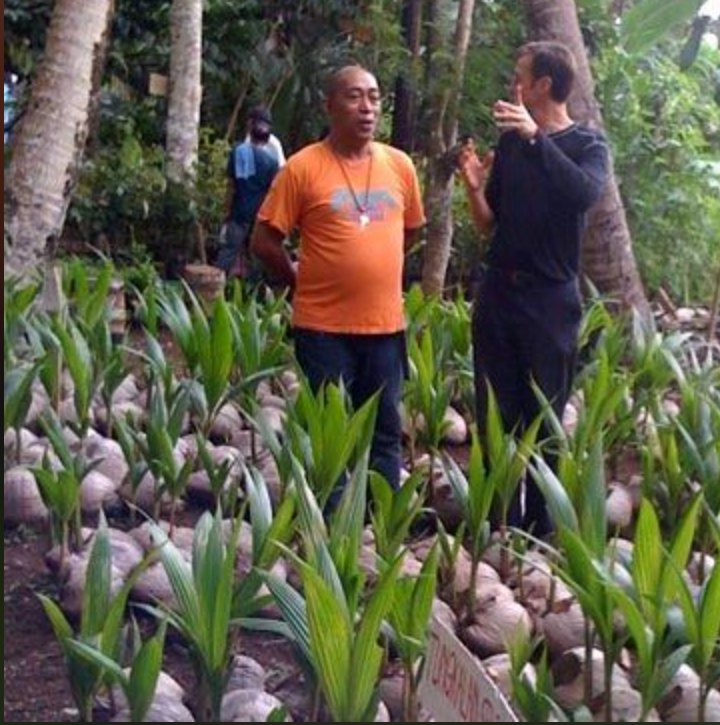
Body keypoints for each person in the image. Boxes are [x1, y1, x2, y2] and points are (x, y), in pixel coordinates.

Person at [459, 41, 611, 535]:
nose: (512, 84)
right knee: (493, 417)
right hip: (500, 296)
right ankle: (497, 526)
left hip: (551, 302)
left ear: (542, 85)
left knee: (543, 418)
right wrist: (475, 187)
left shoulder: (588, 146)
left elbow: (584, 194)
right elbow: (490, 224)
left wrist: (536, 136)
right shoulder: (509, 143)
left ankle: (540, 531)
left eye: (519, 75)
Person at [251, 66, 425, 490]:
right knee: (328, 433)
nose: (367, 108)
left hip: (384, 327)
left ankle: (378, 529)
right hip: (323, 328)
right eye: (354, 97)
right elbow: (264, 240)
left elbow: (412, 229)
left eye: (374, 97)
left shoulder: (400, 165)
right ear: (329, 106)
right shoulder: (302, 168)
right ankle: (329, 527)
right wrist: (298, 280)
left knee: (385, 431)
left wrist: (372, 269)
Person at [218, 106, 281, 278]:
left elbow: (231, 186)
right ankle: (254, 298)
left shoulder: (238, 151)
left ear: (250, 125)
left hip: (238, 214)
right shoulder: (272, 162)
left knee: (226, 257)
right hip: (258, 218)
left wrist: (225, 212)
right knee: (255, 261)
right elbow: (272, 193)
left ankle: (213, 294)